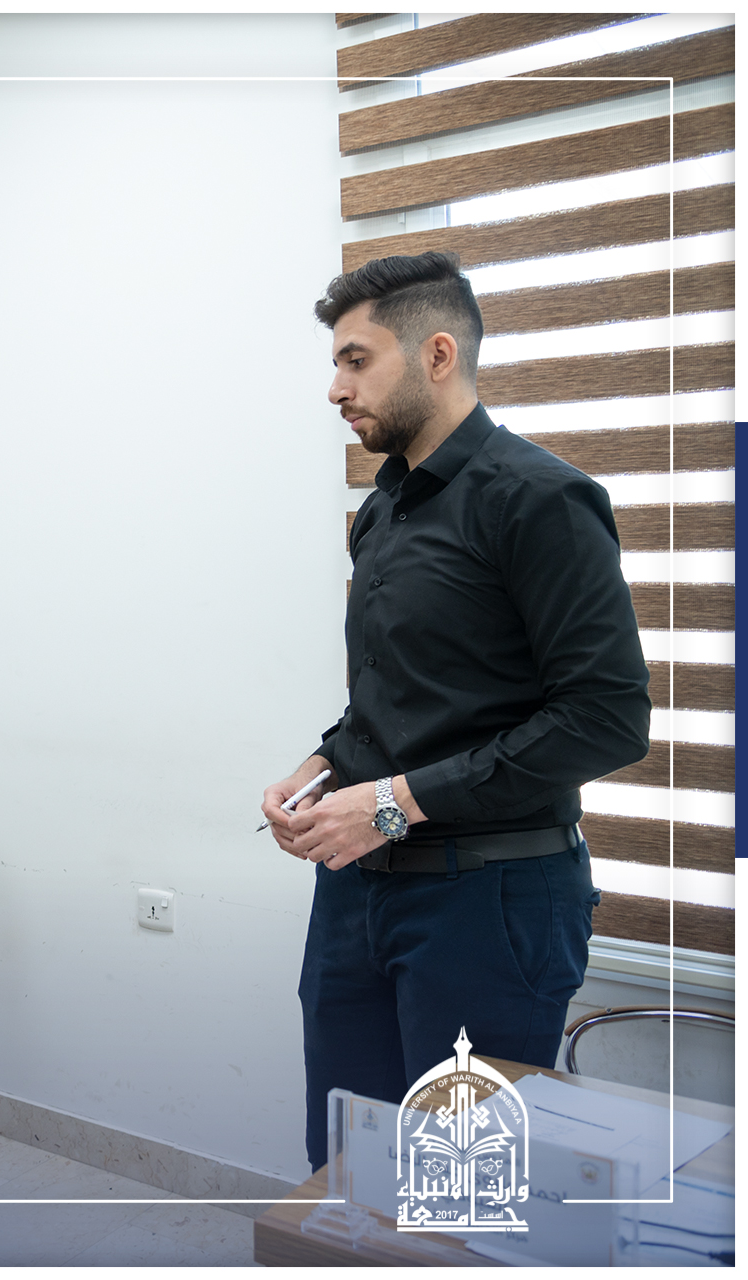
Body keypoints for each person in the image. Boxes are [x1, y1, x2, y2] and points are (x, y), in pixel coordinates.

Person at [260, 251, 651, 1172]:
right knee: (348, 1172)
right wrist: (322, 766)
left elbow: (606, 718)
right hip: (356, 892)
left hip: (489, 901)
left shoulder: (541, 499)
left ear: (437, 354)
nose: (335, 389)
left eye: (356, 361)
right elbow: (401, 697)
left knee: (460, 1193)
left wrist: (391, 804)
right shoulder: (382, 509)